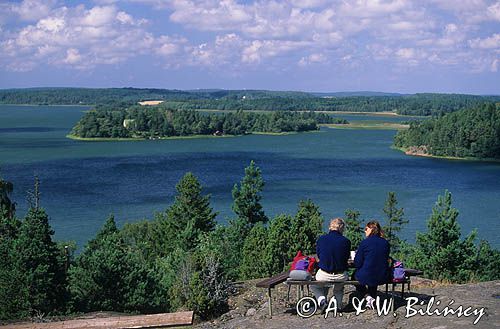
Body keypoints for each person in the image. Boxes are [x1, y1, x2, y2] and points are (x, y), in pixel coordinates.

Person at [311, 218, 351, 311]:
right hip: (341, 275)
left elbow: (319, 256)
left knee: (313, 285)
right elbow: (346, 257)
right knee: (339, 289)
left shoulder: (321, 239)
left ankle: (322, 301)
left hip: (324, 274)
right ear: (341, 228)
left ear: (330, 227)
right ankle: (338, 306)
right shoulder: (346, 241)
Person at [354, 220, 391, 309]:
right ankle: (370, 301)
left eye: (366, 229)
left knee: (354, 276)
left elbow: (357, 263)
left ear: (371, 229)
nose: (365, 231)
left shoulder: (365, 243)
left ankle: (368, 297)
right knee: (373, 274)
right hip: (382, 275)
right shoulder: (385, 243)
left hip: (368, 275)